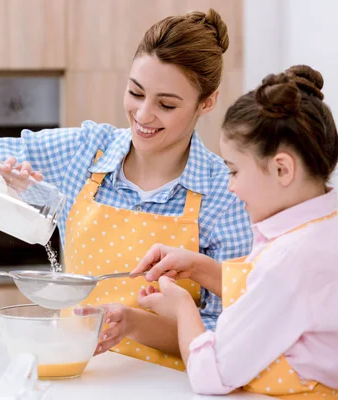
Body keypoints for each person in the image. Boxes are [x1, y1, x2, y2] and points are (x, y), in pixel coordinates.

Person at [0, 9, 253, 371]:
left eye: (166, 104)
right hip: (77, 375)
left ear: (208, 102)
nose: (143, 114)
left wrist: (135, 323)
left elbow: (228, 333)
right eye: (135, 92)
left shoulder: (227, 193)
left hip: (176, 386)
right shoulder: (83, 152)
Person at [134, 65, 338, 397]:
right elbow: (279, 301)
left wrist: (183, 308)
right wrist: (199, 268)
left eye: (234, 171)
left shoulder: (290, 260)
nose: (231, 188)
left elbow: (211, 373)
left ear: (281, 168)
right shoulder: (324, 228)